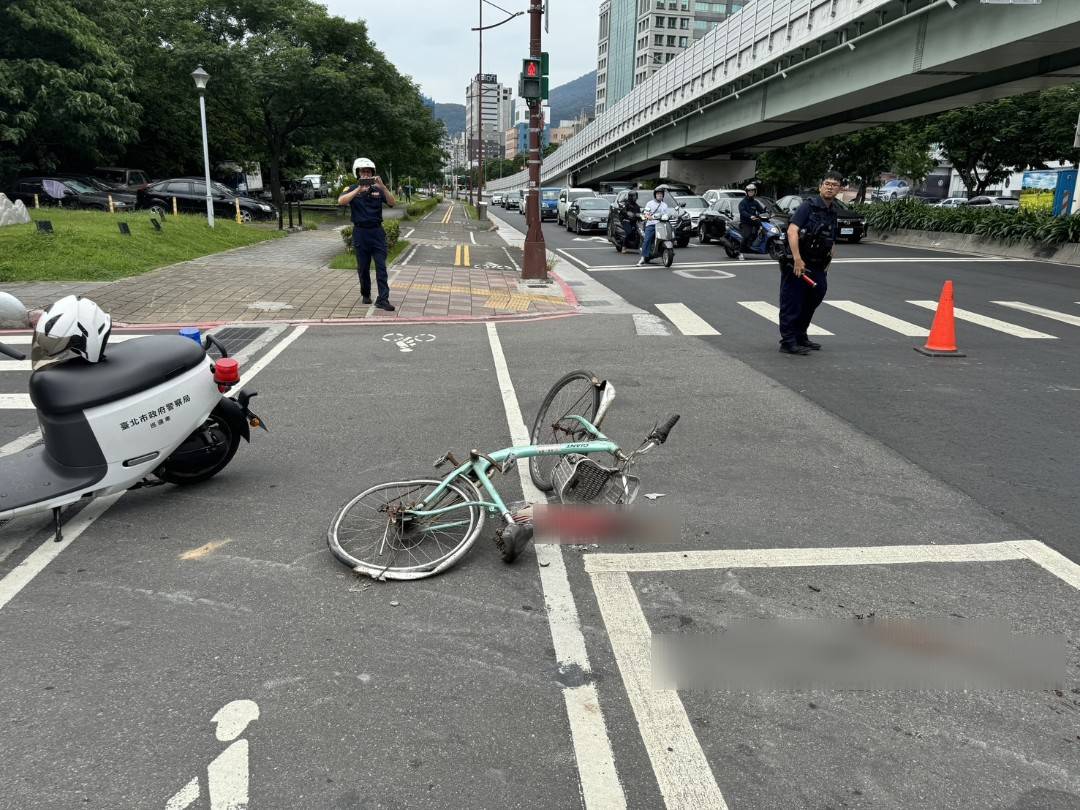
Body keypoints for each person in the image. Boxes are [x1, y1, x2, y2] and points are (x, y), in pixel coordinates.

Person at [778, 170, 841, 355]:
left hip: (818, 264)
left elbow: (832, 239)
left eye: (834, 185)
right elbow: (792, 231)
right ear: (821, 186)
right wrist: (797, 259)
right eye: (827, 184)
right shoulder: (808, 206)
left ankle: (800, 335)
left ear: (839, 189)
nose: (830, 187)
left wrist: (828, 263)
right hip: (799, 263)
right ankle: (788, 341)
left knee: (814, 298)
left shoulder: (832, 210)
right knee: (793, 302)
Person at [338, 157, 396, 311]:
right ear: (358, 173)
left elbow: (392, 202)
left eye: (368, 172)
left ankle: (383, 299)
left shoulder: (378, 189)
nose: (366, 174)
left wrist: (383, 187)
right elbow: (341, 201)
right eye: (363, 172)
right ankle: (366, 293)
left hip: (377, 232)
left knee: (381, 267)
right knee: (363, 268)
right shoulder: (351, 188)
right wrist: (358, 189)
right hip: (360, 232)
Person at [638, 187, 670, 266]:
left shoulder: (665, 205)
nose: (660, 195)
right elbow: (646, 212)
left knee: (670, 233)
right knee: (647, 239)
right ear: (655, 195)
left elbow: (666, 213)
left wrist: (669, 216)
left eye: (661, 194)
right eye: (658, 194)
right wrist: (648, 216)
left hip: (662, 224)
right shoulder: (650, 203)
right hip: (651, 224)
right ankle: (643, 257)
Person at [738, 183, 764, 257]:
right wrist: (750, 216)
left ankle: (754, 246)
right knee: (746, 236)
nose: (751, 192)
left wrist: (767, 213)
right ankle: (741, 252)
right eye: (749, 191)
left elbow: (761, 210)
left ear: (755, 192)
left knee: (763, 231)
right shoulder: (743, 202)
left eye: (752, 191)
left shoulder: (755, 202)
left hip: (755, 221)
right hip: (746, 222)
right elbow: (742, 212)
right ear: (746, 192)